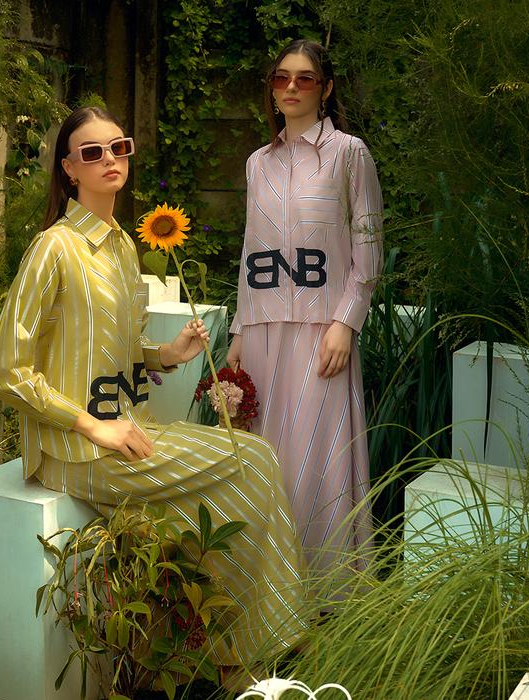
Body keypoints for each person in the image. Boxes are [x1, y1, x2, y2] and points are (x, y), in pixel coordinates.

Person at [0, 106, 307, 668]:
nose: (109, 159)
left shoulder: (122, 246)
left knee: (254, 458)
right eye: (92, 152)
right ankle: (257, 655)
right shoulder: (53, 248)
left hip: (129, 429)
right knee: (250, 463)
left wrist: (166, 355)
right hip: (74, 449)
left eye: (119, 147)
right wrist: (93, 427)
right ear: (68, 169)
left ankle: (237, 650)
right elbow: (4, 367)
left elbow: (120, 345)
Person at [227, 40, 383, 569]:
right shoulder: (257, 163)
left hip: (323, 331)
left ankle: (326, 591)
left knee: (320, 459)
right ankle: (267, 590)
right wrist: (239, 331)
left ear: (326, 88)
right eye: (281, 78)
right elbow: (250, 249)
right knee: (265, 455)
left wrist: (347, 322)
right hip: (262, 329)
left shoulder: (350, 154)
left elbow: (368, 248)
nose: (291, 87)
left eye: (304, 78)